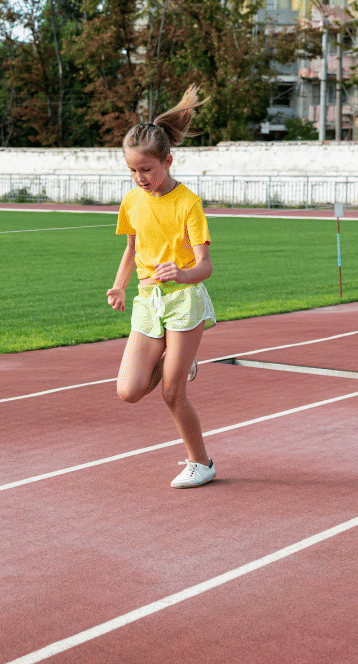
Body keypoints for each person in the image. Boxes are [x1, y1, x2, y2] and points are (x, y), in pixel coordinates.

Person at [106, 86, 217, 489]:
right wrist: (119, 286)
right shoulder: (133, 200)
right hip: (148, 301)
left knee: (172, 394)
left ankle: (201, 462)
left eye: (148, 170)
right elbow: (132, 248)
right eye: (133, 171)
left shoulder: (188, 203)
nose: (141, 178)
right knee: (129, 391)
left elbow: (204, 266)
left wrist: (181, 274)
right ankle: (178, 357)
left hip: (185, 300)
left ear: (167, 161)